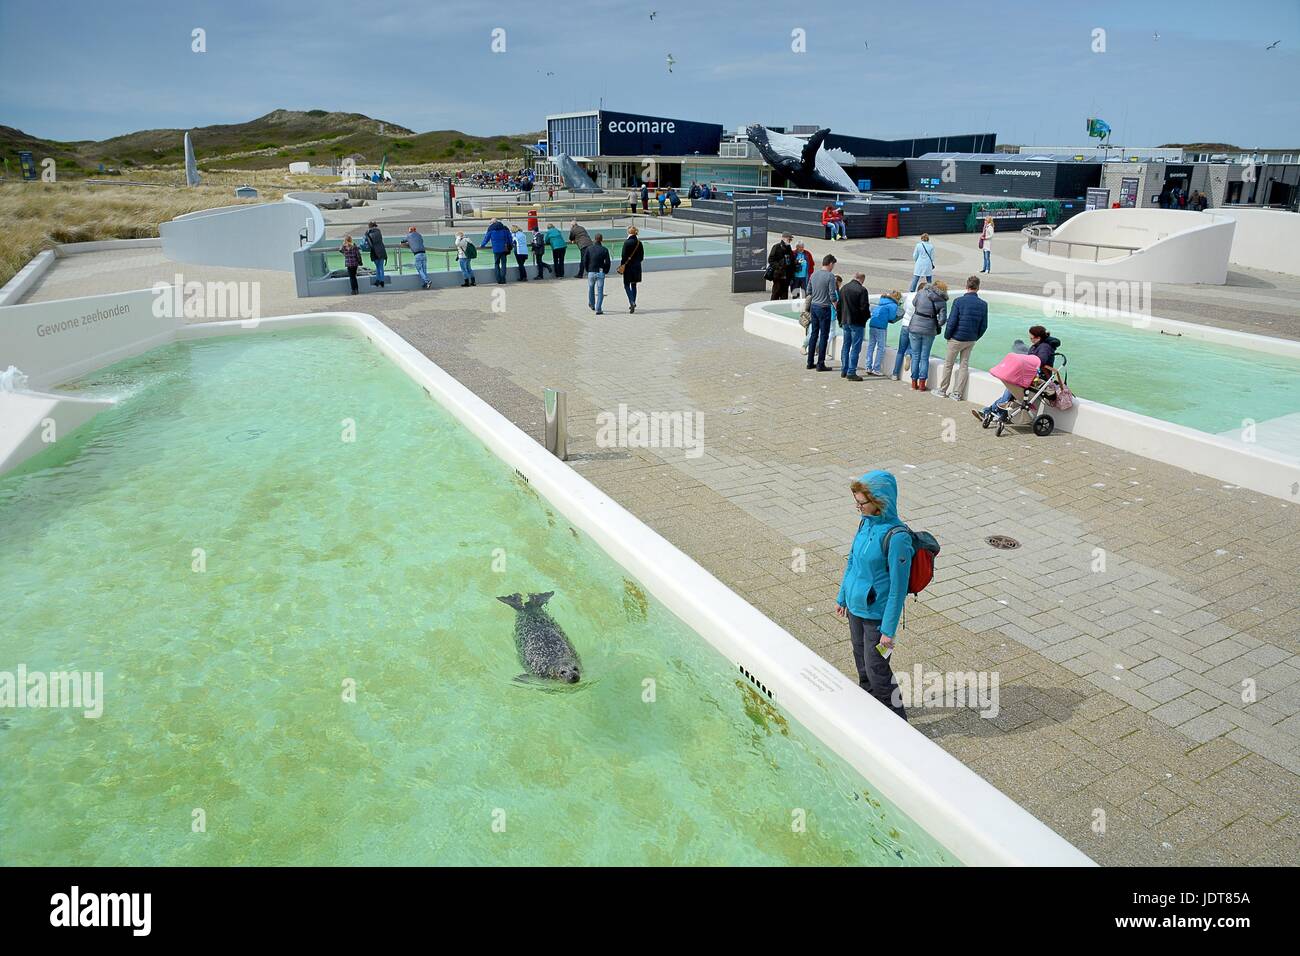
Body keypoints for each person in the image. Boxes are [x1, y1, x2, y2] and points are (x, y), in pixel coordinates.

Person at [836, 470, 913, 720]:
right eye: (856, 502)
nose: (858, 507)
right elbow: (853, 563)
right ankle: (870, 711)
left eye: (862, 503)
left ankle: (897, 718)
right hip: (856, 609)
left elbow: (898, 589)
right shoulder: (865, 522)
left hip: (878, 617)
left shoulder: (898, 538)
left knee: (877, 667)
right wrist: (842, 596)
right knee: (862, 663)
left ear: (880, 501)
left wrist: (888, 631)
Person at [976, 324, 1060, 421]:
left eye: (1032, 338)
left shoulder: (1045, 347)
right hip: (1031, 376)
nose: (1030, 340)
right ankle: (991, 412)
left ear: (1038, 337)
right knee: (1010, 390)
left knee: (1010, 391)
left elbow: (1040, 360)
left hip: (1039, 378)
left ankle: (989, 412)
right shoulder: (1036, 346)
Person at [934, 275, 988, 401]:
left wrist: (947, 335)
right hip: (971, 339)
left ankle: (942, 390)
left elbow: (952, 321)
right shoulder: (983, 304)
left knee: (948, 364)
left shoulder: (958, 301)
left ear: (966, 286)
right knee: (964, 365)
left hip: (956, 338)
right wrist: (976, 337)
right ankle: (957, 393)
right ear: (978, 288)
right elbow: (984, 325)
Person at [907, 279, 947, 391]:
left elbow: (914, 303)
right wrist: (935, 323)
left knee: (915, 356)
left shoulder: (921, 292)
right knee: (924, 357)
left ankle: (913, 383)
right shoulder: (942, 300)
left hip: (915, 326)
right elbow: (942, 320)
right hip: (929, 330)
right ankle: (922, 384)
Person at [806, 254, 838, 372]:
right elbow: (832, 295)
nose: (833, 267)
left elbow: (809, 291)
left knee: (814, 333)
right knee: (824, 336)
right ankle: (820, 364)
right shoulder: (830, 276)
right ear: (830, 263)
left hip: (814, 307)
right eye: (833, 264)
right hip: (824, 308)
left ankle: (809, 362)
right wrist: (837, 308)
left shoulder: (813, 274)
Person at [839, 272, 871, 381]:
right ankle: (851, 372)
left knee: (846, 345)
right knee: (855, 348)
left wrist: (840, 320)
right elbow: (864, 308)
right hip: (857, 322)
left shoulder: (843, 288)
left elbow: (839, 306)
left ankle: (844, 369)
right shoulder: (862, 290)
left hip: (845, 321)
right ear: (862, 279)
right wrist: (865, 319)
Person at [865, 290, 903, 376]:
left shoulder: (881, 301)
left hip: (873, 324)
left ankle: (868, 366)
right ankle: (876, 369)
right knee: (881, 348)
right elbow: (891, 317)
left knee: (871, 346)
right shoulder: (893, 305)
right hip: (881, 327)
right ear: (898, 298)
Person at [584, 233, 612, 314]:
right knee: (600, 291)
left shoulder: (589, 249)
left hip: (591, 271)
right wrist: (605, 271)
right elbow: (607, 262)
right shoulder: (604, 249)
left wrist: (587, 269)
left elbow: (585, 260)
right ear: (601, 240)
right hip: (600, 272)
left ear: (594, 239)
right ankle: (598, 308)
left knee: (591, 288)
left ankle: (592, 304)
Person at [480, 218, 514, 284]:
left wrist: (482, 245)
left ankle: (498, 279)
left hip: (496, 249)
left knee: (496, 264)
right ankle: (503, 279)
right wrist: (511, 245)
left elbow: (486, 238)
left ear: (493, 223)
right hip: (504, 249)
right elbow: (510, 237)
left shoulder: (491, 229)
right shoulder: (505, 228)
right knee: (504, 264)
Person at [619, 225, 645, 313]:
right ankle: (633, 301)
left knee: (626, 285)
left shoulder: (626, 243)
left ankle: (631, 301)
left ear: (628, 232)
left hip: (628, 267)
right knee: (634, 285)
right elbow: (641, 257)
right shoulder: (639, 243)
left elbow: (623, 256)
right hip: (637, 267)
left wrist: (622, 266)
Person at [767, 232, 795, 300]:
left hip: (787, 275)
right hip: (778, 275)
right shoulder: (776, 247)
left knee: (784, 294)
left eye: (791, 240)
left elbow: (791, 260)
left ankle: (782, 308)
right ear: (784, 238)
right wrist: (779, 267)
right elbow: (771, 260)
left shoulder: (789, 247)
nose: (790, 241)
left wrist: (794, 263)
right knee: (776, 292)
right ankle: (772, 307)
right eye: (789, 239)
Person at [363, 221, 387, 287]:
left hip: (374, 251)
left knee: (377, 267)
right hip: (382, 250)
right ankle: (382, 281)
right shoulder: (379, 231)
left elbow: (366, 242)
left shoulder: (367, 233)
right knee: (381, 267)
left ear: (369, 226)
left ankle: (378, 280)